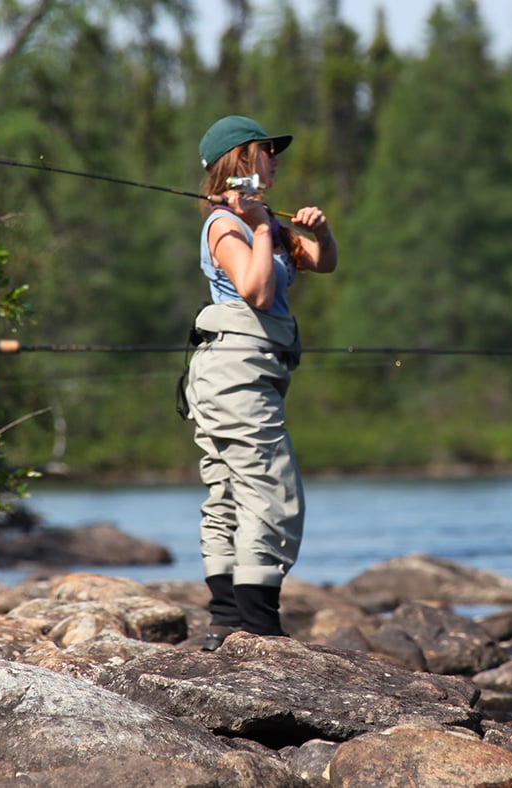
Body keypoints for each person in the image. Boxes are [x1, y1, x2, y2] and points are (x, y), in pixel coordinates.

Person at [182, 115, 336, 646]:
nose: (276, 159)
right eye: (268, 150)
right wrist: (263, 226)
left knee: (228, 490)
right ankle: (259, 628)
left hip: (243, 373)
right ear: (242, 158)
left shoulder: (259, 217)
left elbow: (322, 261)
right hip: (235, 375)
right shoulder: (225, 225)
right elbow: (257, 291)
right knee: (271, 490)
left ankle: (225, 622)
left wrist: (318, 229)